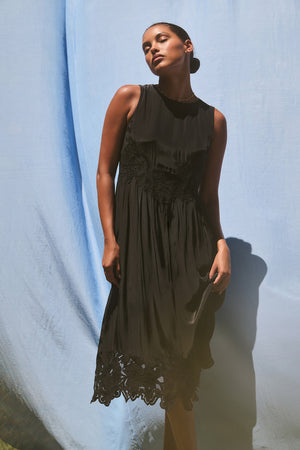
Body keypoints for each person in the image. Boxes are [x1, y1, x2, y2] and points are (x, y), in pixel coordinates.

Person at [90, 21, 231, 450]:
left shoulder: (214, 121)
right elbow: (104, 172)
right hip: (143, 250)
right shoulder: (130, 98)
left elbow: (208, 196)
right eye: (145, 46)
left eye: (161, 40)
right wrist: (110, 240)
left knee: (179, 371)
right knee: (174, 371)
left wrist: (222, 245)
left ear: (187, 46)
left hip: (192, 253)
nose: (152, 49)